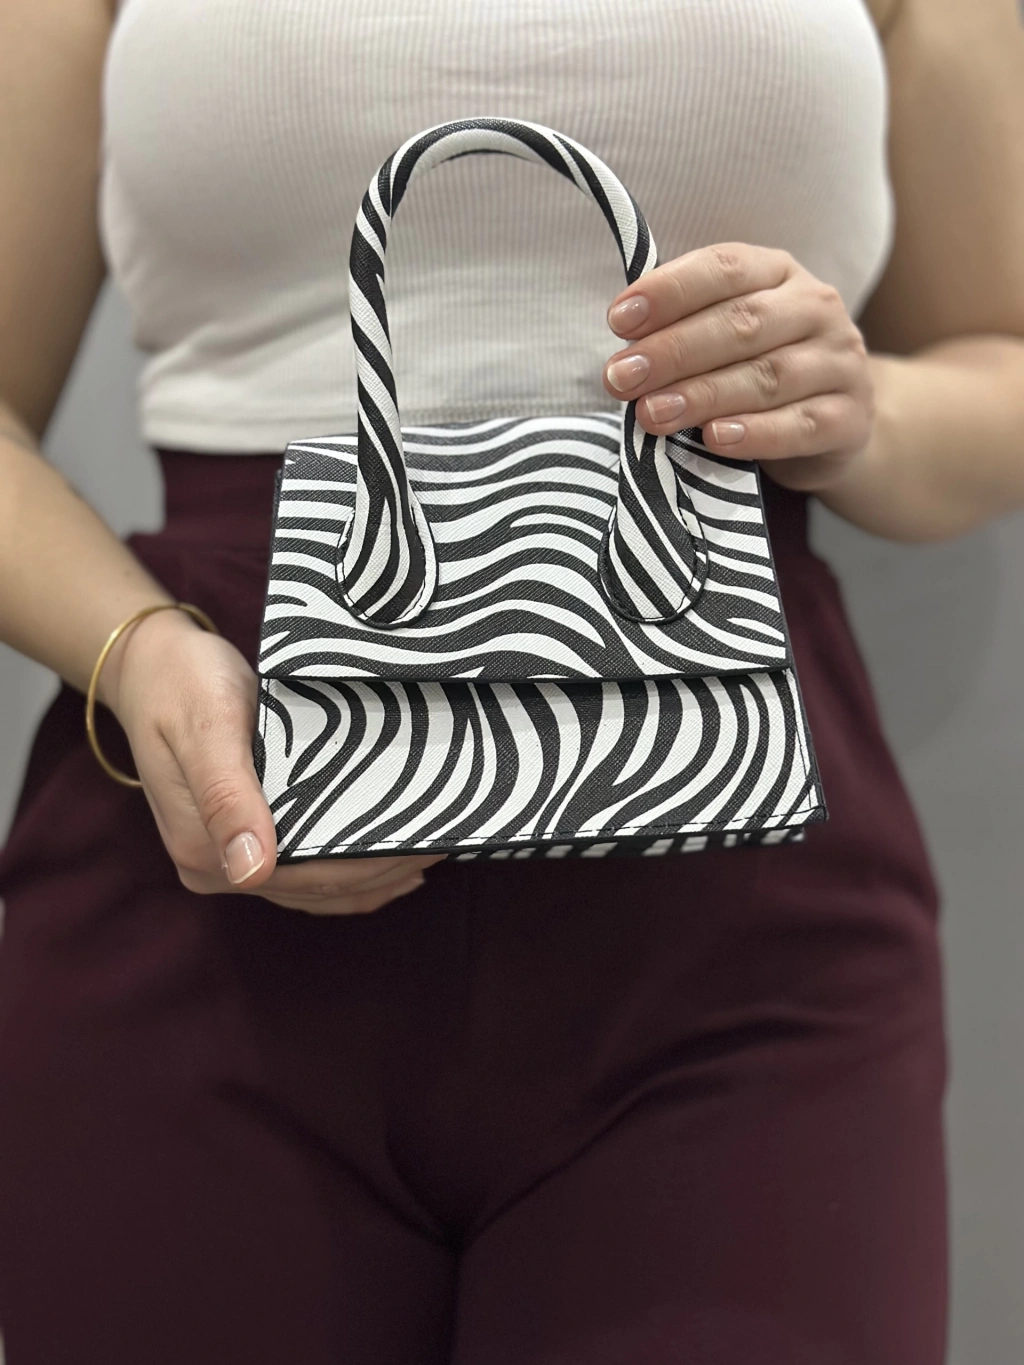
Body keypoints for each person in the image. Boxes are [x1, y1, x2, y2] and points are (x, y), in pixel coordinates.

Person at [0, 0, 1021, 1360]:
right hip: (211, 826)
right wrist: (134, 648)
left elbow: (1004, 360)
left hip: (732, 898)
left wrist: (861, 413)